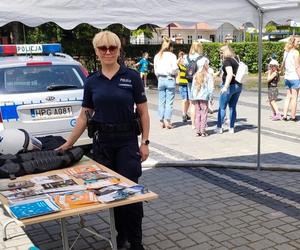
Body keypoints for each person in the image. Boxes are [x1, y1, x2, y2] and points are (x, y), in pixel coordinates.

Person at [57, 31, 150, 250]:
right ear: (96, 52)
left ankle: (136, 241)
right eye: (102, 48)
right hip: (103, 145)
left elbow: (144, 112)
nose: (108, 52)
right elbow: (84, 115)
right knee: (111, 193)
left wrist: (144, 142)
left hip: (127, 143)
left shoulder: (132, 77)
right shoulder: (91, 81)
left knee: (131, 194)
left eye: (112, 48)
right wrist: (69, 144)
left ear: (118, 50)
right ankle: (120, 236)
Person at [216, 45, 242, 134]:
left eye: (221, 52)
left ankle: (219, 127)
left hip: (229, 86)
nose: (220, 54)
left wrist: (225, 87)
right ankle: (231, 128)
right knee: (232, 107)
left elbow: (230, 74)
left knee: (222, 107)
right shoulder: (236, 60)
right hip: (238, 86)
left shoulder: (227, 61)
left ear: (224, 52)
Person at [154, 37, 178, 129]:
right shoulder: (172, 56)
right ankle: (167, 121)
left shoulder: (157, 55)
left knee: (161, 101)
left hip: (160, 79)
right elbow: (174, 69)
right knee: (169, 102)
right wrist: (175, 74)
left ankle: (161, 121)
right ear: (170, 47)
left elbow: (156, 70)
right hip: (170, 79)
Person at [183, 41, 204, 129]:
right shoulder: (202, 58)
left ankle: (193, 124)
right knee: (200, 102)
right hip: (199, 81)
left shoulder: (186, 57)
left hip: (190, 81)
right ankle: (200, 122)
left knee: (192, 102)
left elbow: (184, 65)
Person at [191, 57, 214, 136]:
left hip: (196, 97)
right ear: (205, 65)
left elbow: (192, 87)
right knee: (204, 114)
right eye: (207, 64)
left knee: (197, 114)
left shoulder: (195, 75)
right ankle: (203, 131)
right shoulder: (208, 75)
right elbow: (210, 88)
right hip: (204, 98)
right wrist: (211, 98)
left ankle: (198, 131)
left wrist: (192, 97)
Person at [282, 35, 300, 121]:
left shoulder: (286, 52)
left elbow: (284, 65)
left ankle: (285, 115)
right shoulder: (296, 52)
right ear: (293, 43)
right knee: (294, 98)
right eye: (298, 41)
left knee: (288, 97)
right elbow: (297, 67)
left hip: (287, 77)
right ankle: (293, 116)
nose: (299, 43)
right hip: (294, 77)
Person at [176, 51, 191, 122]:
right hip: (182, 84)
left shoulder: (187, 66)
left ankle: (185, 113)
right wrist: (179, 58)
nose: (184, 60)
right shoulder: (179, 66)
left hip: (188, 84)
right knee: (184, 100)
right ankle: (183, 114)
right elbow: (175, 64)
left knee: (188, 101)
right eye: (183, 59)